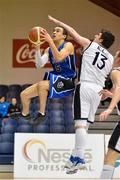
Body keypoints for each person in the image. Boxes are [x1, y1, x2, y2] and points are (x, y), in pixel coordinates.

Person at [48, 15, 115, 174]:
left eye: (98, 35)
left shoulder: (90, 45)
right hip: (98, 92)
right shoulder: (111, 59)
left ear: (101, 40)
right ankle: (75, 158)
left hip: (85, 86)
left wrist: (58, 22)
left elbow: (72, 32)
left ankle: (79, 158)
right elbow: (114, 79)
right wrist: (109, 93)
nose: (96, 35)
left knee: (79, 125)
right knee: (84, 127)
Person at [17, 26, 76, 126]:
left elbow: (59, 58)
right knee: (24, 95)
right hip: (57, 78)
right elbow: (39, 65)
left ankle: (42, 114)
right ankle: (25, 114)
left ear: (64, 36)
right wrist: (37, 48)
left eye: (57, 31)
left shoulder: (68, 45)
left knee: (42, 84)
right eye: (53, 30)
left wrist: (50, 42)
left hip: (68, 80)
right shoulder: (48, 49)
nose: (54, 32)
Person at [99, 50, 120, 179]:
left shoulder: (116, 72)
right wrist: (110, 95)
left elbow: (119, 88)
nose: (114, 56)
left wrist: (109, 108)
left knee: (110, 158)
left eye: (116, 54)